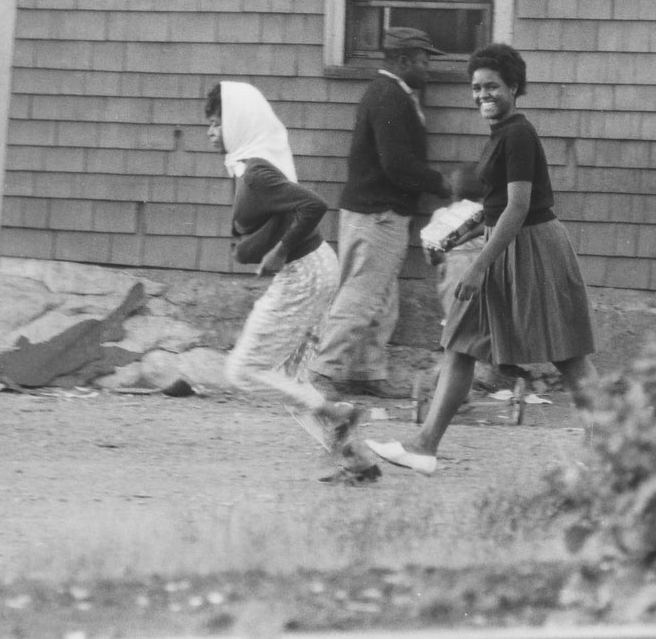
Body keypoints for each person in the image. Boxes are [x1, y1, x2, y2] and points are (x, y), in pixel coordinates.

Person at [367, 43, 597, 475]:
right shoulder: (499, 135)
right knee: (460, 344)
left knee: (569, 354)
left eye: (491, 86)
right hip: (503, 246)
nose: (482, 95)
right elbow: (494, 209)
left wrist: (477, 265)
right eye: (476, 88)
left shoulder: (519, 134)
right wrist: (455, 238)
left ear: (513, 86)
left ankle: (606, 449)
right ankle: (423, 446)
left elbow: (518, 207)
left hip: (535, 250)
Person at [204, 81, 369, 465]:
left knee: (243, 370)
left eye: (216, 123)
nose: (210, 133)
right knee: (290, 381)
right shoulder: (252, 165)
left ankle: (338, 414)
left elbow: (315, 205)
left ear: (237, 122)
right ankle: (355, 459)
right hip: (314, 268)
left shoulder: (258, 174)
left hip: (304, 273)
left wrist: (278, 251)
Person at [306, 27, 452, 400]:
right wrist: (443, 185)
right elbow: (397, 165)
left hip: (377, 212)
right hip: (378, 214)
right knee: (362, 294)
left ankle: (366, 372)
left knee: (381, 297)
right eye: (422, 62)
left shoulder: (391, 93)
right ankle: (323, 370)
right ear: (402, 62)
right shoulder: (389, 96)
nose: (427, 70)